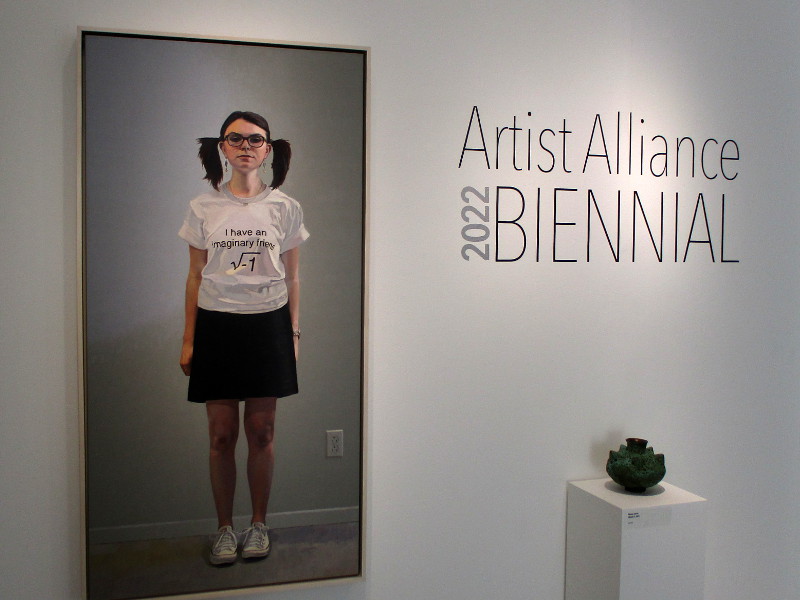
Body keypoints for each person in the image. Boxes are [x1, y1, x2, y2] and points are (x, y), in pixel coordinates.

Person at [178, 110, 309, 565]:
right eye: (236, 139)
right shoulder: (203, 207)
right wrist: (189, 339)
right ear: (223, 147)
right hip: (217, 324)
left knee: (262, 431)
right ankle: (223, 529)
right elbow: (195, 276)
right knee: (221, 434)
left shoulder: (285, 207)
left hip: (267, 325)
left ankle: (258, 524)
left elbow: (293, 278)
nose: (246, 147)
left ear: (268, 149)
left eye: (255, 140)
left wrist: (293, 332)